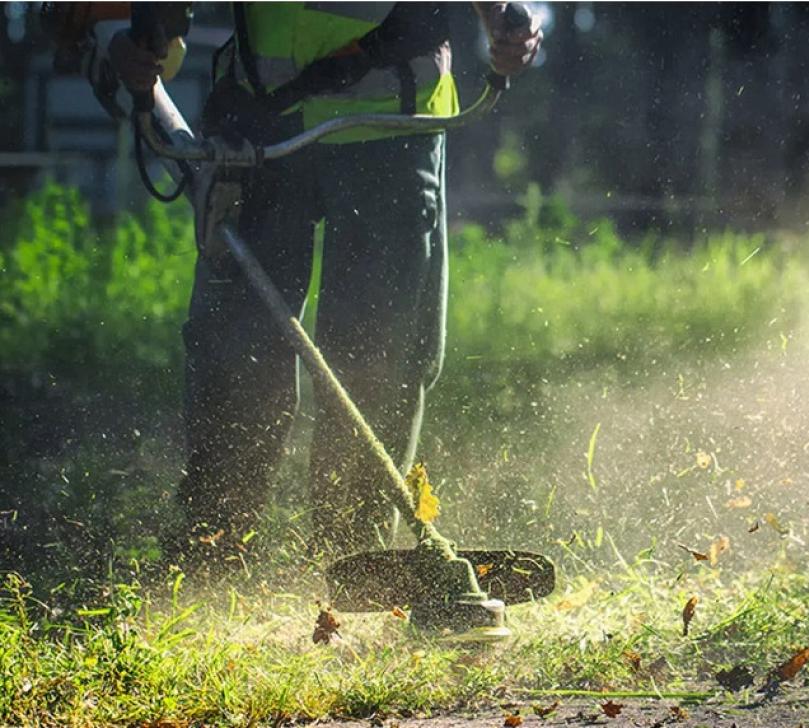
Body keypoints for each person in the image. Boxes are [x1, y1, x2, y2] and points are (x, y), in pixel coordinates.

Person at [107, 2, 543, 570]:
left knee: (377, 355)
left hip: (392, 124)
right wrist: (145, 35)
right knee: (238, 352)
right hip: (261, 124)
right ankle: (211, 551)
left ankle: (354, 561)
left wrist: (504, 18)